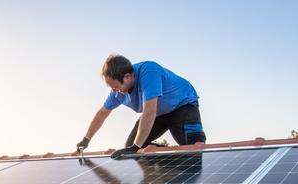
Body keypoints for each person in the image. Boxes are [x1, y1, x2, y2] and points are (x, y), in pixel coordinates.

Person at [76, 54, 206, 159]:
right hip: (158, 114)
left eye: (115, 86)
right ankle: (164, 164)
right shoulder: (117, 93)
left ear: (127, 77)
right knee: (130, 148)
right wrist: (85, 140)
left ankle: (184, 154)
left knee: (194, 149)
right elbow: (102, 113)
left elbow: (149, 112)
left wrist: (136, 147)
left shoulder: (149, 72)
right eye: (111, 88)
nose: (114, 91)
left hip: (181, 106)